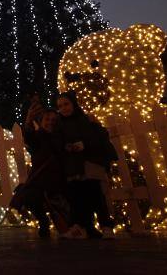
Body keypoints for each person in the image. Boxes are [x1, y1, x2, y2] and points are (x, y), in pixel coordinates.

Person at [56, 92, 118, 239]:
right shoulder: (60, 125)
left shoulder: (86, 120)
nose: (64, 108)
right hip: (73, 166)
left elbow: (98, 137)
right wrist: (66, 147)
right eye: (60, 106)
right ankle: (81, 226)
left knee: (96, 194)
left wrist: (85, 145)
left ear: (73, 104)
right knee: (77, 197)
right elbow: (58, 142)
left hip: (89, 162)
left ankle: (106, 225)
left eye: (66, 104)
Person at [15, 97, 67, 239]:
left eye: (53, 120)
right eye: (47, 120)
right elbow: (29, 137)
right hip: (40, 177)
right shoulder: (39, 136)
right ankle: (43, 221)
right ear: (41, 121)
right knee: (30, 197)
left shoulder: (60, 137)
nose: (50, 122)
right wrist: (28, 121)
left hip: (57, 177)